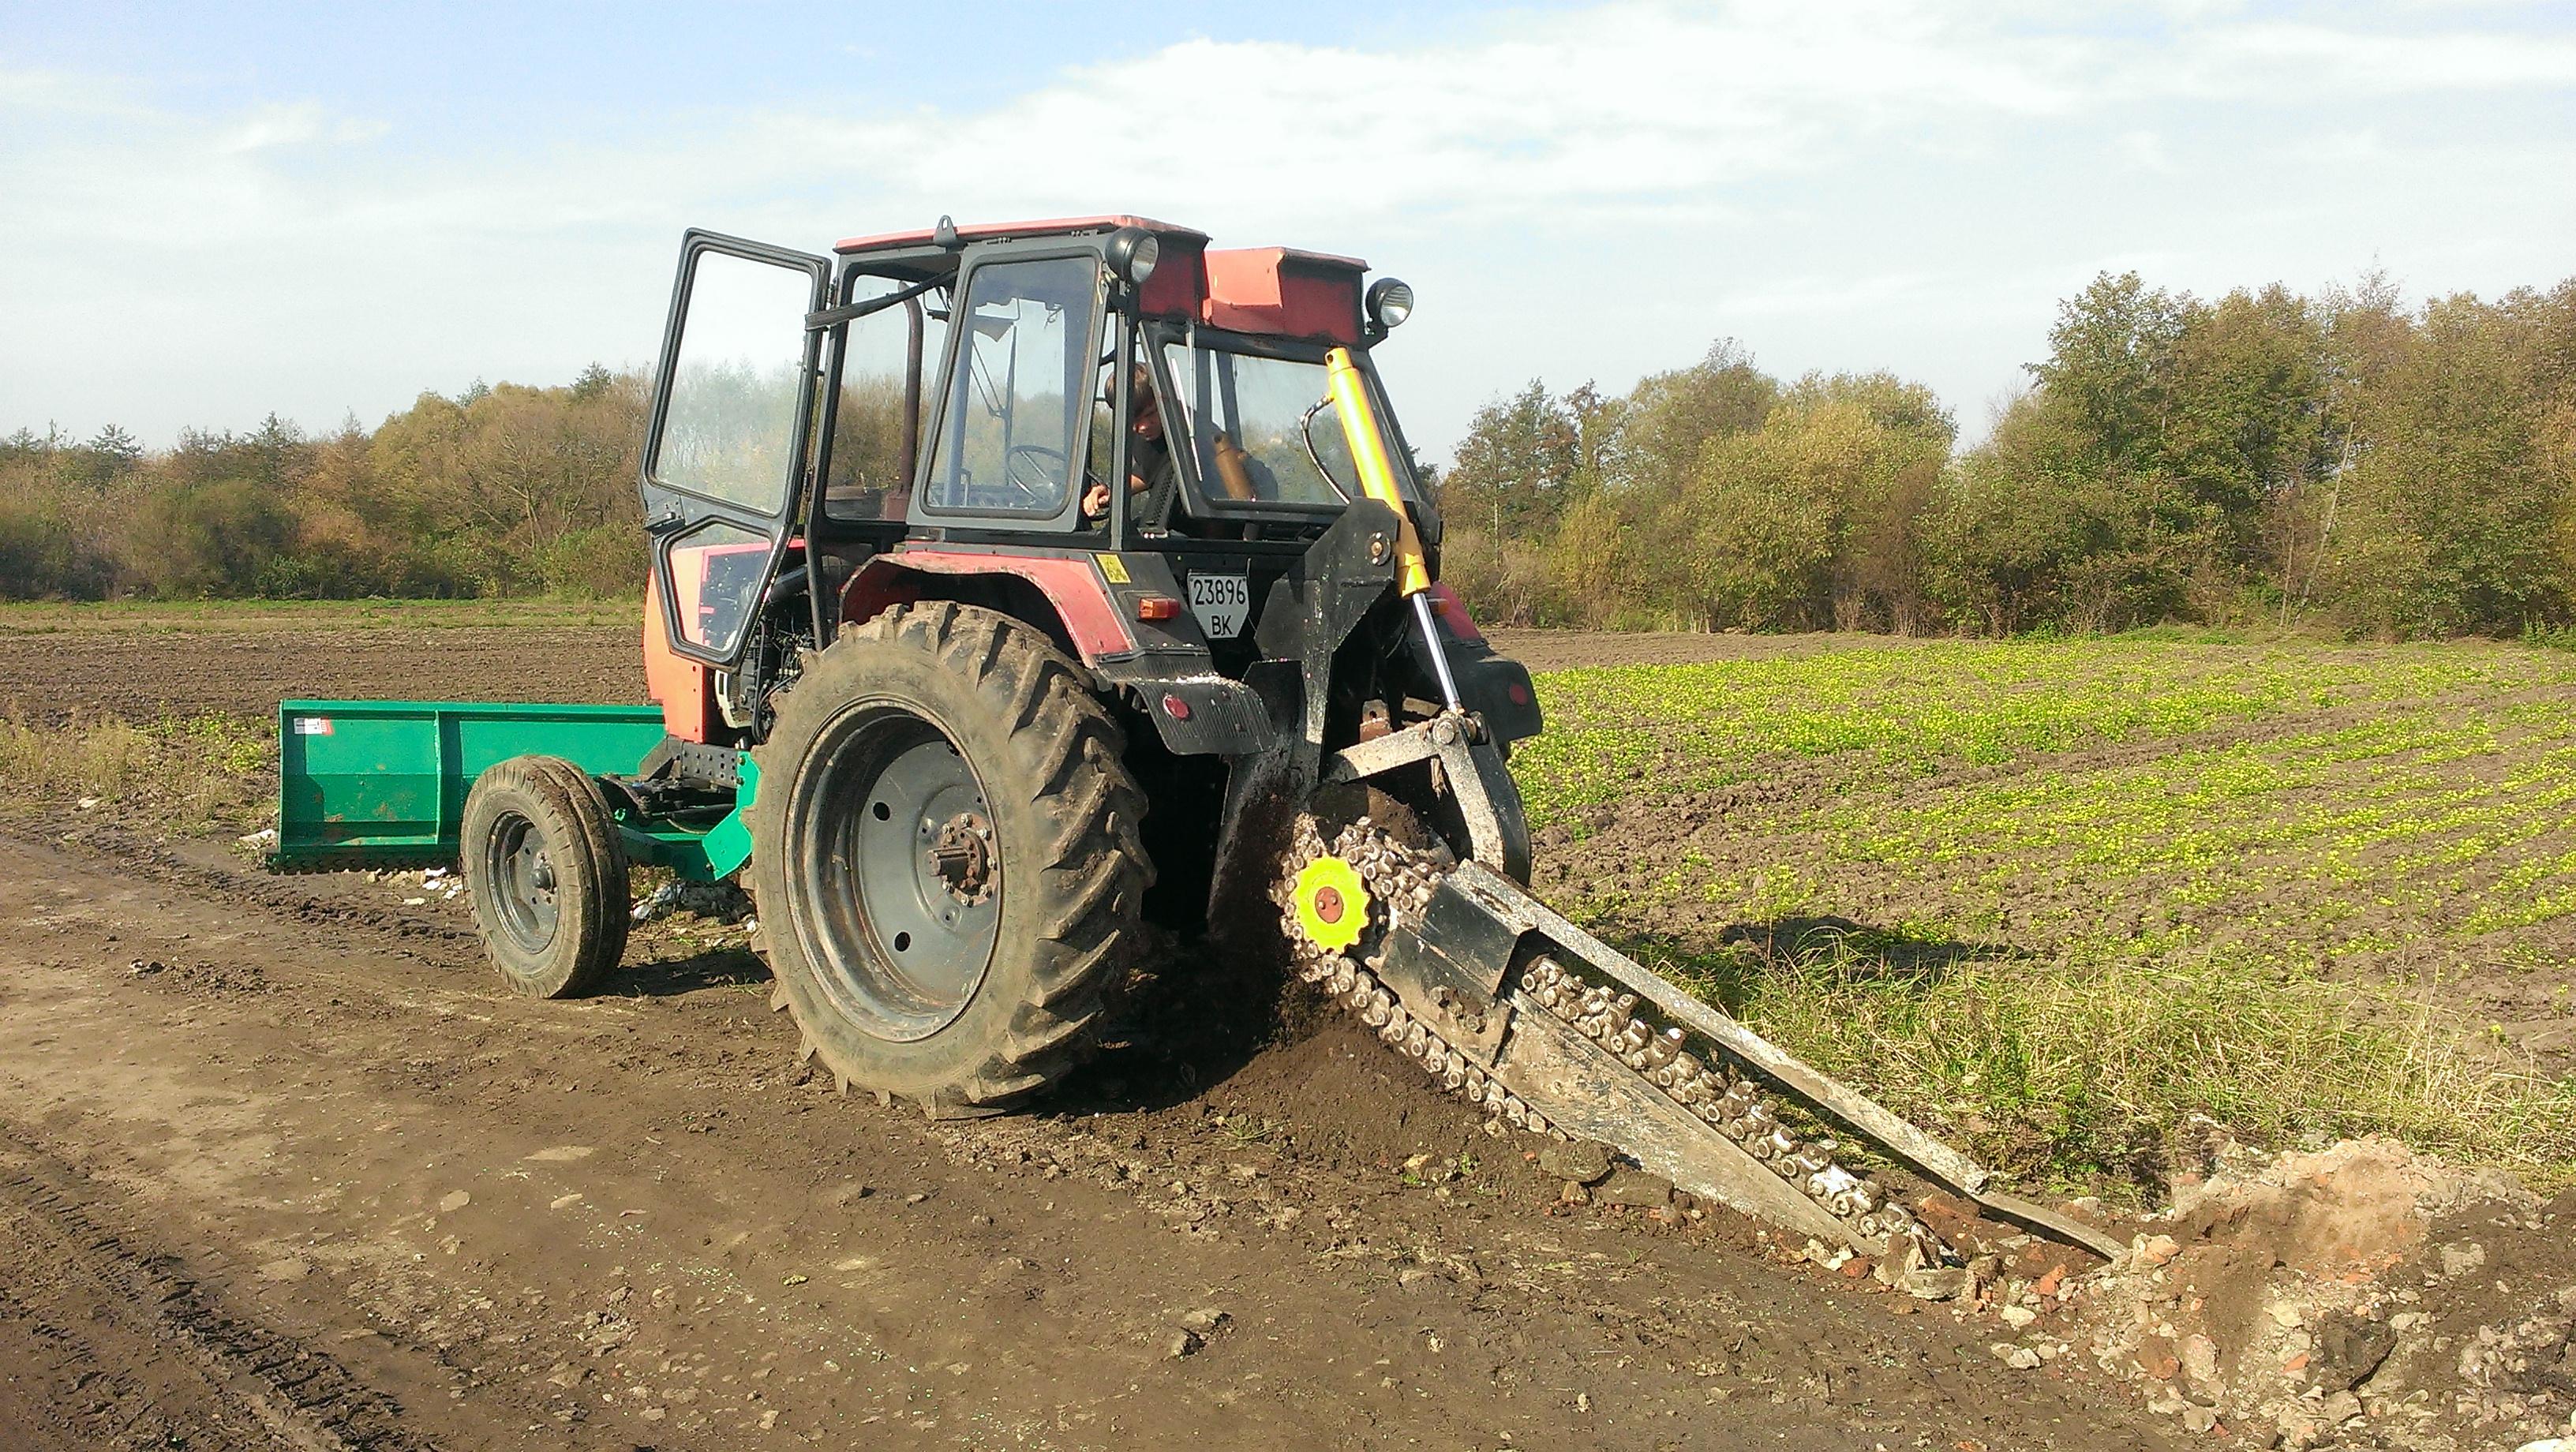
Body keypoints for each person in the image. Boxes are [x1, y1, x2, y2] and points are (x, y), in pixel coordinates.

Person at [1082, 363, 1177, 527]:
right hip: (1164, 523)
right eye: (1134, 420)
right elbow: (1146, 474)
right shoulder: (1143, 435)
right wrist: (1109, 492)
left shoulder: (1190, 434)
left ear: (1163, 400)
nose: (1143, 426)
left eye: (1151, 413)